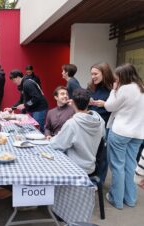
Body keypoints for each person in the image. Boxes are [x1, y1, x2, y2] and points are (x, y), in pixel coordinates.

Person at [102, 63, 144, 209]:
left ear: (123, 76)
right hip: (138, 134)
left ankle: (117, 200)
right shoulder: (142, 88)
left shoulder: (124, 89)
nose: (116, 80)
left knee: (117, 166)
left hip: (121, 132)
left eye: (117, 77)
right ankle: (130, 199)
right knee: (130, 165)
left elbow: (109, 106)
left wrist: (113, 91)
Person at [49, 88, 105, 175]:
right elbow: (102, 136)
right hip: (91, 167)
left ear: (73, 103)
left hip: (74, 168)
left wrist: (51, 139)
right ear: (88, 103)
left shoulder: (72, 123)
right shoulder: (100, 120)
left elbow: (57, 144)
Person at [87, 62, 115, 183]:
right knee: (92, 155)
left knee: (102, 157)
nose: (93, 76)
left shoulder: (113, 89)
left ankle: (98, 182)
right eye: (91, 74)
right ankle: (91, 178)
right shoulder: (92, 86)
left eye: (95, 74)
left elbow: (116, 108)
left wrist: (105, 105)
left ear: (104, 73)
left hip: (106, 127)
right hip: (92, 125)